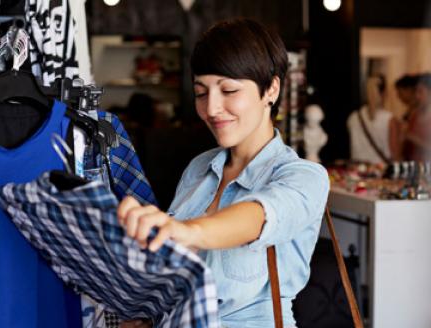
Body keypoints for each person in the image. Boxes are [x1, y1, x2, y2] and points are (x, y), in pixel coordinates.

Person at [117, 18, 329, 328]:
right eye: (202, 93)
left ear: (271, 88)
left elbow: (259, 216)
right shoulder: (199, 168)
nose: (212, 108)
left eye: (229, 90)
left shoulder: (304, 177)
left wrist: (187, 230)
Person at [347, 74, 393, 164]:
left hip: (356, 168)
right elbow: (395, 153)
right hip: (380, 170)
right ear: (384, 93)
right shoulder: (390, 119)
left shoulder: (353, 117)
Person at [402, 73, 431, 161]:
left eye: (421, 91)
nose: (417, 96)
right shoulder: (415, 115)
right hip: (414, 170)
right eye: (416, 91)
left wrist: (413, 138)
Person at [390, 74, 419, 160]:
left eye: (400, 92)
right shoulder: (410, 110)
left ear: (409, 90)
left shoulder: (419, 111)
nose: (398, 96)